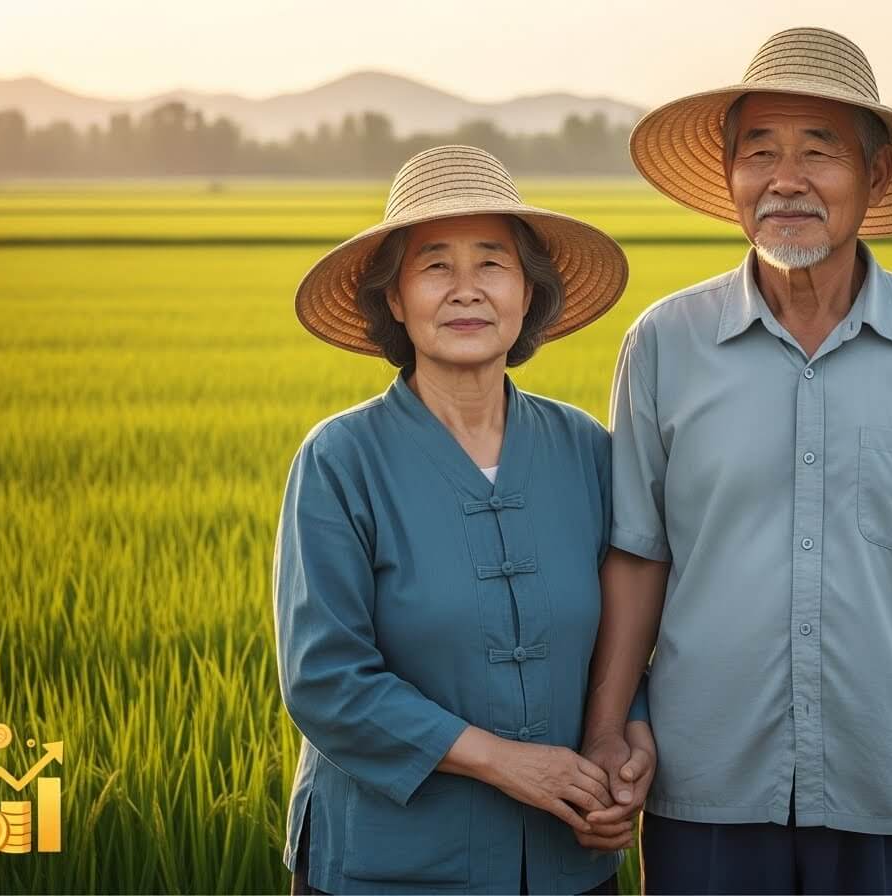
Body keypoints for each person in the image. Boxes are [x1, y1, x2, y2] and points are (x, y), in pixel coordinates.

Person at [579, 27, 892, 896]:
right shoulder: (663, 344)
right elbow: (639, 555)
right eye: (757, 151)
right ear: (728, 179)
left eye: (817, 151)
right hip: (703, 784)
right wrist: (607, 728)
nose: (784, 178)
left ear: (875, 178)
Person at [273, 144, 654, 895]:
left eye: (491, 264)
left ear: (526, 293)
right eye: (434, 266)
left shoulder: (584, 449)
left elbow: (620, 633)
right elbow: (324, 679)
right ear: (394, 298)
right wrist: (506, 762)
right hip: (388, 866)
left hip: (562, 863)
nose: (465, 290)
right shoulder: (342, 459)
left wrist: (628, 738)